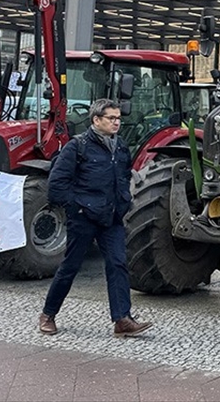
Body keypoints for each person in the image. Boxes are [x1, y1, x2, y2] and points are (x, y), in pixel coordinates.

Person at [38, 99, 152, 338]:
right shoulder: (77, 147)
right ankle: (48, 314)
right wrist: (78, 208)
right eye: (111, 118)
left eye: (119, 118)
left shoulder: (120, 147)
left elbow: (122, 178)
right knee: (70, 266)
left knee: (118, 264)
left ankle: (122, 319)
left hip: (111, 217)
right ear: (96, 120)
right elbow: (57, 185)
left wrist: (123, 203)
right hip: (84, 218)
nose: (117, 122)